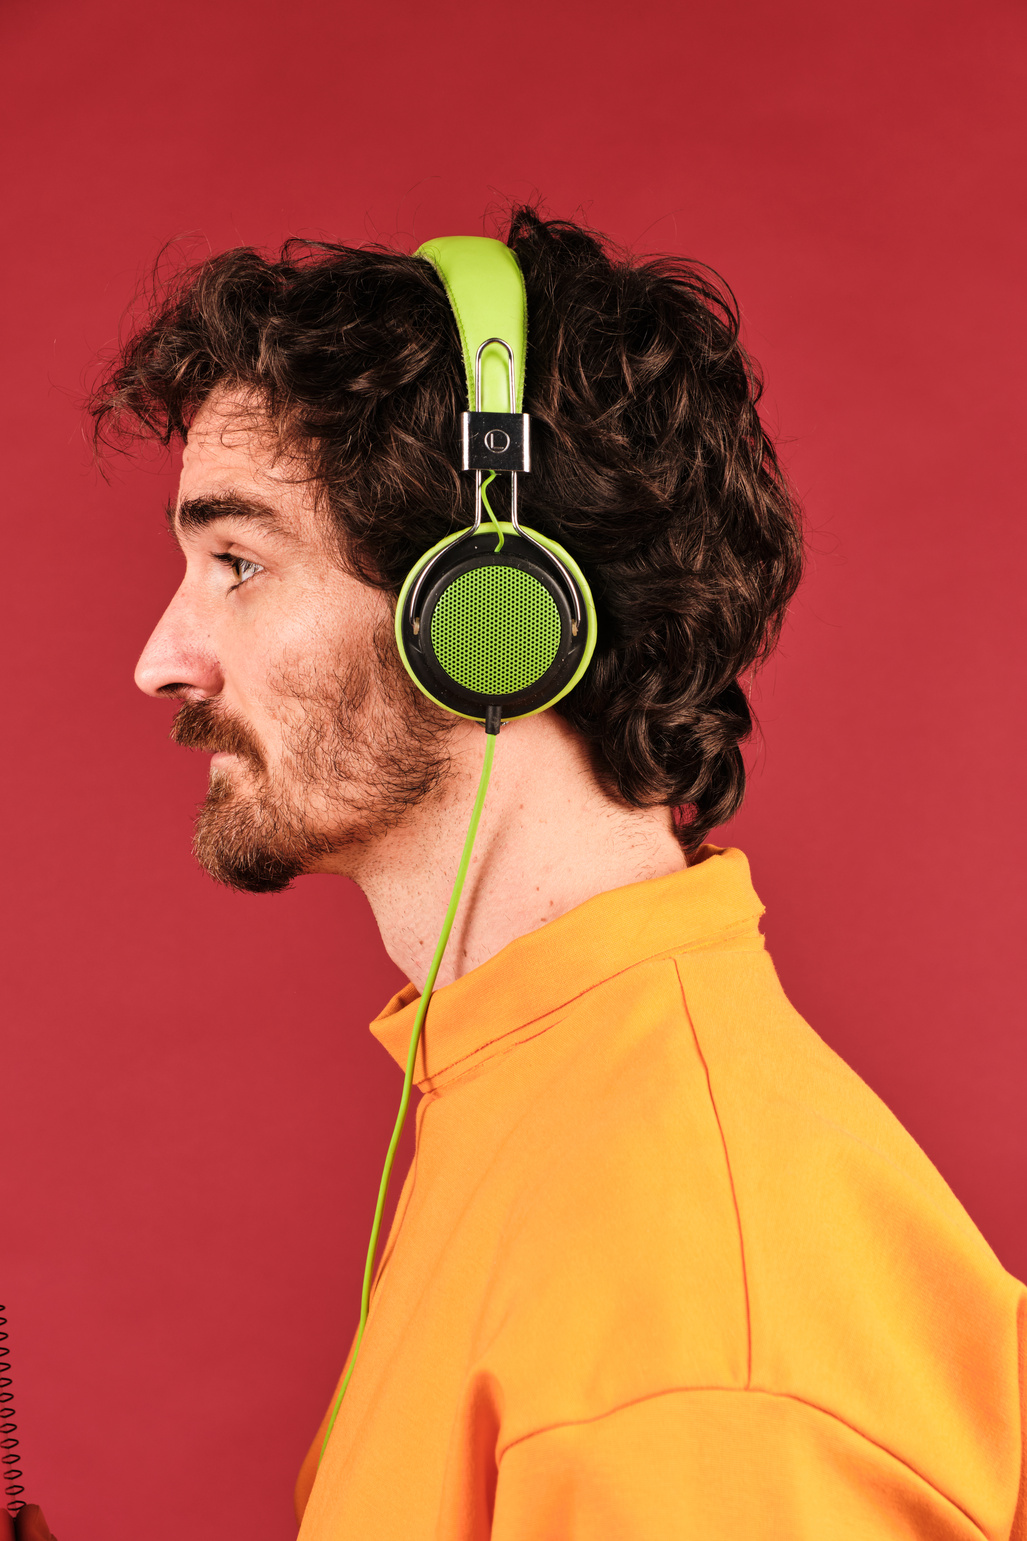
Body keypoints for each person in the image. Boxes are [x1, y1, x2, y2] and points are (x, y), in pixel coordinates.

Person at [12, 208, 1024, 1539]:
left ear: (491, 618)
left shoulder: (690, 1340)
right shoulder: (528, 1095)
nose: (161, 656)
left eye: (239, 563)